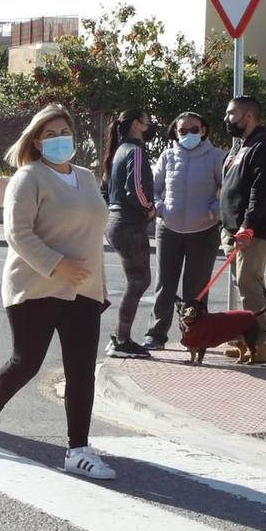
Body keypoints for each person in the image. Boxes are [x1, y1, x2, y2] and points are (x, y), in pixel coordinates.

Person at [0, 104, 115, 478]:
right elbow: (17, 233)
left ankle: (78, 450)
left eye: (62, 133)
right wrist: (57, 264)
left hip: (82, 289)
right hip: (35, 285)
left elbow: (92, 236)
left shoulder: (86, 178)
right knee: (27, 362)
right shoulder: (28, 177)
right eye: (48, 135)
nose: (57, 140)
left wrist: (99, 285)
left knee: (82, 370)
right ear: (36, 142)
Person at [143, 111, 226, 351]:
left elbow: (226, 188)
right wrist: (160, 209)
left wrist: (214, 211)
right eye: (183, 130)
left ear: (203, 130)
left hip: (204, 231)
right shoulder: (167, 156)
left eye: (194, 129)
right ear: (175, 132)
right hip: (168, 230)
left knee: (196, 289)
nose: (188, 134)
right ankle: (156, 335)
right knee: (164, 285)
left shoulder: (215, 156)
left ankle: (196, 337)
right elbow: (154, 189)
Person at [219, 95, 266, 363]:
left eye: (231, 113)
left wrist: (248, 225)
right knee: (241, 283)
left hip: (252, 230)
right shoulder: (241, 146)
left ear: (248, 116)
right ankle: (245, 338)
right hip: (232, 228)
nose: (227, 119)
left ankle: (260, 342)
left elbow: (261, 191)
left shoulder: (265, 146)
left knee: (249, 283)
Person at [101, 108, 155, 358]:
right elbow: (135, 189)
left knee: (137, 281)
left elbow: (105, 189)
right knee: (139, 281)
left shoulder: (118, 151)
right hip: (129, 223)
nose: (150, 126)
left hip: (116, 221)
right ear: (136, 125)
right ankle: (121, 340)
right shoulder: (136, 151)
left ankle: (120, 338)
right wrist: (149, 209)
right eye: (147, 122)